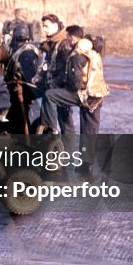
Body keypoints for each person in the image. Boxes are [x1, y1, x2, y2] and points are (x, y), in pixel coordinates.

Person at [41, 29, 108, 176]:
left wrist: (66, 86)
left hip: (84, 94)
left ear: (73, 37)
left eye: (68, 36)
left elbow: (75, 81)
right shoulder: (93, 53)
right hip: (97, 95)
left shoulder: (77, 56)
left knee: (50, 95)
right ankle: (87, 166)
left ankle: (52, 129)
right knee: (89, 130)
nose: (67, 39)